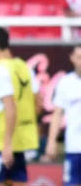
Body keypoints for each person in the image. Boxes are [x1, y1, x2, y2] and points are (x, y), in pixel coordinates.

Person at [0, 27, 40, 186]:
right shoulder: (24, 67)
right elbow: (38, 101)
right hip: (19, 142)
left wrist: (6, 145)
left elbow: (10, 106)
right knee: (15, 182)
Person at [43, 45, 81, 186]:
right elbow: (57, 114)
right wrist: (51, 141)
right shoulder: (66, 82)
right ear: (72, 58)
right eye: (79, 57)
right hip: (74, 146)